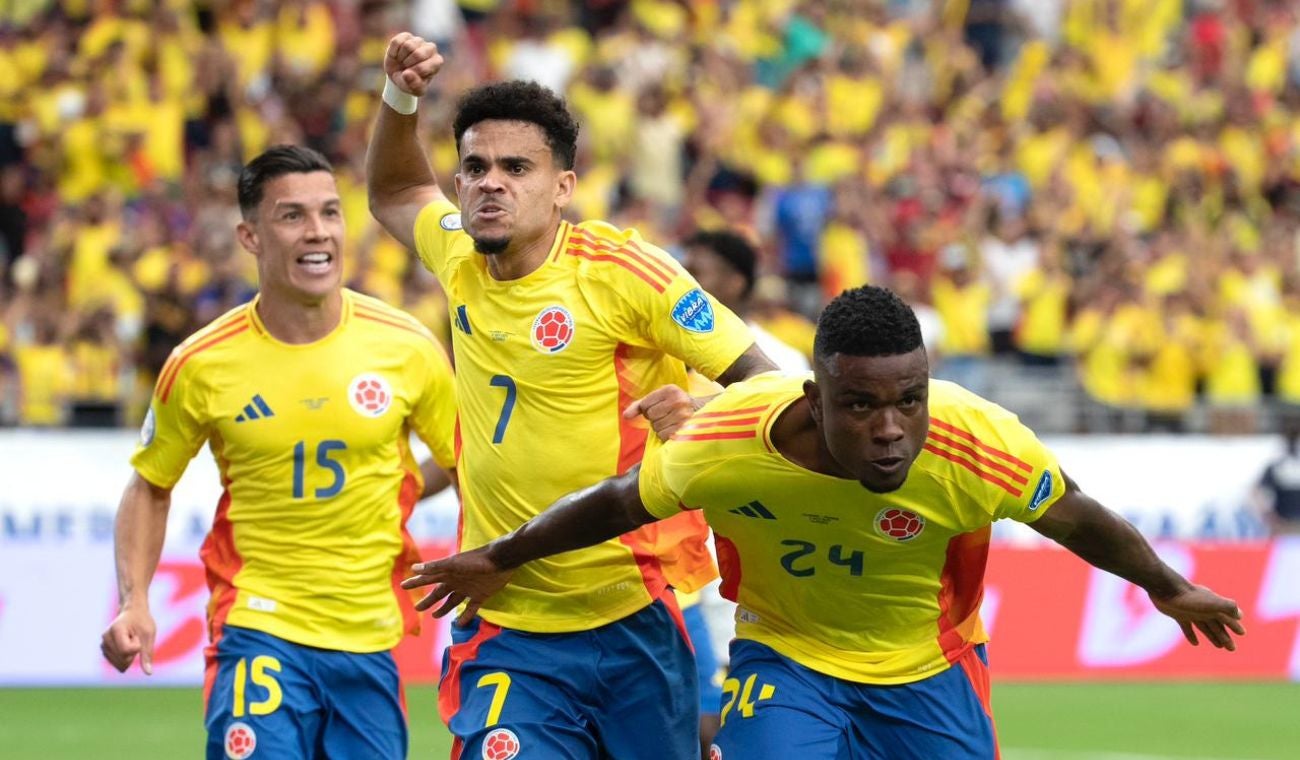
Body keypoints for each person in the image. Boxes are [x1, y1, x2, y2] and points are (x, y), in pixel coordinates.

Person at [406, 285, 1247, 760]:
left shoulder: (976, 441)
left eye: (909, 400)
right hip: (789, 659)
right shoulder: (729, 440)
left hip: (928, 671)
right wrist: (503, 555)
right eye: (862, 405)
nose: (891, 429)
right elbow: (620, 502)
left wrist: (1166, 587)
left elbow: (1075, 516)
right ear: (816, 399)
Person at [366, 32, 777, 760]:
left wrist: (705, 414)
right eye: (475, 167)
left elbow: (766, 382)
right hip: (506, 615)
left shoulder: (624, 274)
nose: (491, 183)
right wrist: (401, 97)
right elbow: (397, 191)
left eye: (516, 168)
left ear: (563, 186)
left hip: (630, 612)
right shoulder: (459, 252)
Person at [99, 145, 458, 760]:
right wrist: (135, 599)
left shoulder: (408, 347)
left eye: (329, 212)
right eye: (292, 215)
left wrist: (401, 488)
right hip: (256, 624)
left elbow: (468, 463)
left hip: (369, 636)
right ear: (251, 237)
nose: (317, 231)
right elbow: (151, 485)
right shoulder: (201, 363)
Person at [682, 229, 811, 374]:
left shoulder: (784, 361)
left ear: (734, 284)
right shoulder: (670, 353)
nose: (682, 283)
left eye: (694, 273)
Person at [1255, 419, 1300, 535]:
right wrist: (1269, 515)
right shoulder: (1278, 466)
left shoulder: (1278, 466)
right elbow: (1257, 492)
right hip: (1284, 526)